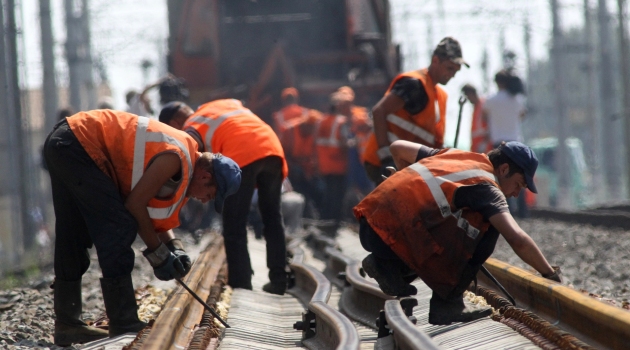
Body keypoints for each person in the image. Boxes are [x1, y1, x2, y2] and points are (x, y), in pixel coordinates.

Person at [43, 110, 241, 346]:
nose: (206, 200)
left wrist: (173, 246)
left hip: (65, 141)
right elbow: (135, 205)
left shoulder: (184, 163)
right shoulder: (175, 158)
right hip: (78, 143)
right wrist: (158, 255)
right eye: (211, 194)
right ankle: (123, 321)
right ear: (205, 176)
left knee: (72, 232)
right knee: (118, 226)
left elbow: (148, 208)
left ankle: (67, 324)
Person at [354, 140, 562, 325]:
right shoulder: (487, 187)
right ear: (504, 169)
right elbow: (517, 239)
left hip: (371, 224)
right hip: (394, 237)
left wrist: (402, 181)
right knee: (488, 228)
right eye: (518, 185)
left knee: (448, 220)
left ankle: (387, 267)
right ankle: (447, 305)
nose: (516, 194)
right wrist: (549, 274)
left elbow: (397, 147)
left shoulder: (455, 155)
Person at [158, 99, 289, 295]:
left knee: (234, 223)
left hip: (242, 155)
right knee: (272, 217)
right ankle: (279, 279)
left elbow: (187, 160)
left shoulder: (192, 124)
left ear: (175, 122)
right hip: (272, 149)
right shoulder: (223, 105)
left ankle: (241, 284)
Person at [363, 37, 468, 186]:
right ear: (435, 60)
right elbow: (379, 111)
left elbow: (432, 140)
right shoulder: (413, 84)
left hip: (410, 165)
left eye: (456, 71)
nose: (452, 75)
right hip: (387, 162)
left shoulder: (440, 95)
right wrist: (386, 157)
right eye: (449, 68)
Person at [482, 70, 527, 217]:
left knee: (502, 176)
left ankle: (506, 210)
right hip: (516, 141)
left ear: (497, 83)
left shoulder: (491, 100)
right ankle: (522, 210)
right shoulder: (517, 99)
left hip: (499, 143)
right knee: (519, 175)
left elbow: (484, 116)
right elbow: (522, 115)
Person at [280, 109, 323, 219]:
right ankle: (302, 216)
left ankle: (315, 215)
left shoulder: (314, 134)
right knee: (300, 188)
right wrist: (295, 167)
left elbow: (314, 155)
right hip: (291, 169)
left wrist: (313, 170)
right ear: (306, 125)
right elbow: (283, 153)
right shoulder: (289, 131)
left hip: (306, 169)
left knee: (318, 188)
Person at [462, 84, 491, 153]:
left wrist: (484, 143)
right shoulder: (476, 107)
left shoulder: (483, 105)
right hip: (476, 146)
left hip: (485, 146)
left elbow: (491, 125)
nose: (468, 99)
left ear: (471, 93)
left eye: (468, 96)